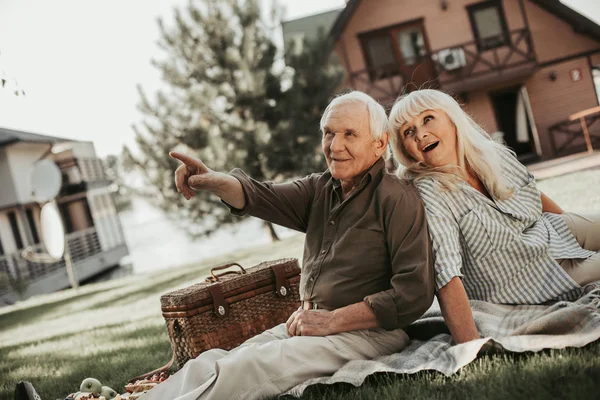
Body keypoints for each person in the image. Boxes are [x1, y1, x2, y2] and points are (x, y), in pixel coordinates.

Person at [141, 91, 435, 400]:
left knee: (246, 367)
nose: (335, 146)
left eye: (350, 134)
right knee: (209, 362)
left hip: (368, 333)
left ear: (379, 143)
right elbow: (262, 196)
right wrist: (215, 180)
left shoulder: (397, 199)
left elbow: (413, 293)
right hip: (310, 324)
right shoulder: (320, 188)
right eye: (329, 134)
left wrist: (332, 320)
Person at [387, 88, 600, 344]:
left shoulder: (490, 153)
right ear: (406, 150)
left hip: (550, 234)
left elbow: (534, 194)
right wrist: (469, 345)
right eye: (408, 132)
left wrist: (579, 238)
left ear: (452, 120)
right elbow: (446, 270)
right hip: (531, 278)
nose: (420, 133)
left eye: (427, 119)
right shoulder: (428, 192)